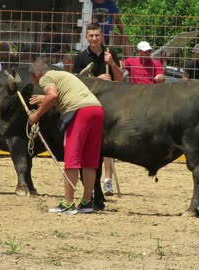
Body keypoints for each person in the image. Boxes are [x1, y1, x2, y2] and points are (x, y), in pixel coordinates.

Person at [28, 59, 104, 214]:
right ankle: (87, 202)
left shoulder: (45, 78)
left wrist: (36, 115)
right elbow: (63, 94)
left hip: (79, 112)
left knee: (72, 159)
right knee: (90, 161)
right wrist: (45, 99)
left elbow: (53, 95)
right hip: (96, 110)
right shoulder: (62, 74)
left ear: (35, 75)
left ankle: (68, 203)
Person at [72, 22, 123, 196]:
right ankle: (91, 185)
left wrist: (113, 64)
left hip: (110, 102)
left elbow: (120, 79)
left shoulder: (110, 54)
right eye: (91, 36)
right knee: (91, 144)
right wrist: (97, 80)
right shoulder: (80, 58)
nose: (94, 38)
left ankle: (107, 180)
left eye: (97, 35)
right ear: (86, 37)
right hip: (89, 103)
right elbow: (76, 81)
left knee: (106, 143)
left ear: (102, 36)